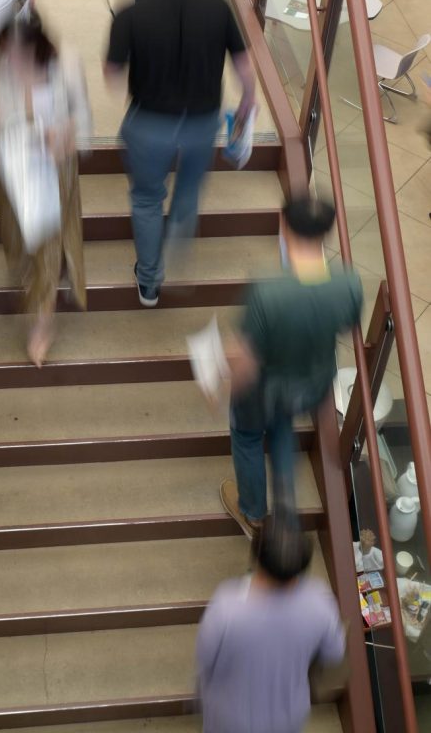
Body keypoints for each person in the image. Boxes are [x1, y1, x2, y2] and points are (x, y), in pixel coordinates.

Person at [105, 0, 255, 308]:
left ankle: (149, 281)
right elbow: (245, 70)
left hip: (150, 124)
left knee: (147, 198)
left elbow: (113, 76)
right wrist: (246, 108)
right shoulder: (216, 6)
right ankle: (180, 243)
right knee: (188, 191)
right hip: (202, 122)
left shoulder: (130, 14)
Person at [221, 195, 363, 538]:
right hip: (310, 385)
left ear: (283, 228)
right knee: (282, 426)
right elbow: (346, 326)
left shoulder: (267, 292)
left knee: (247, 436)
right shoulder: (348, 283)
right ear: (327, 232)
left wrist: (222, 387)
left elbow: (247, 360)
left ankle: (254, 511)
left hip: (264, 389)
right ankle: (285, 506)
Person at [0, 10, 91, 366]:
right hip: (15, 172)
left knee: (50, 246)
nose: (12, 59)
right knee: (19, 242)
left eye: (19, 51)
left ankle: (44, 323)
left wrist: (64, 136)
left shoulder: (66, 62)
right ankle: (32, 285)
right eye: (7, 50)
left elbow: (83, 122)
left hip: (55, 170)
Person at [196, 513, 346, 733]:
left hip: (230, 716)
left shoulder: (227, 606)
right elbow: (334, 654)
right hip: (287, 715)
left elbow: (206, 659)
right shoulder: (319, 603)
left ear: (255, 556)